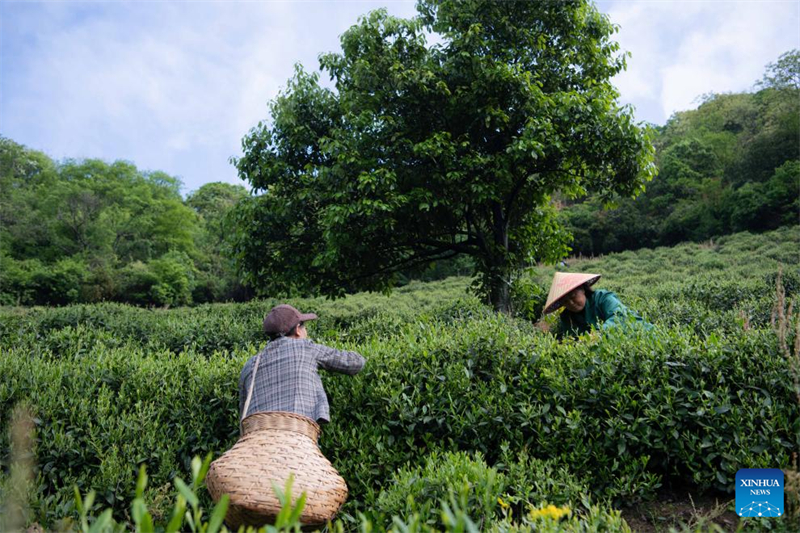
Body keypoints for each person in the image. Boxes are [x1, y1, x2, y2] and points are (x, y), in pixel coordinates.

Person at [238, 304, 365, 428]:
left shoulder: (250, 365)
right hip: (297, 431)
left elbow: (243, 412)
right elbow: (355, 363)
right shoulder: (305, 347)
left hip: (257, 435)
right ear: (298, 329)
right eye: (304, 327)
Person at [542, 272, 652, 338]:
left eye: (573, 296)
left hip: (644, 335)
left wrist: (596, 335)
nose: (571, 303)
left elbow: (619, 316)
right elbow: (571, 339)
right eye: (565, 301)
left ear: (582, 289)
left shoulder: (603, 298)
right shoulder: (567, 317)